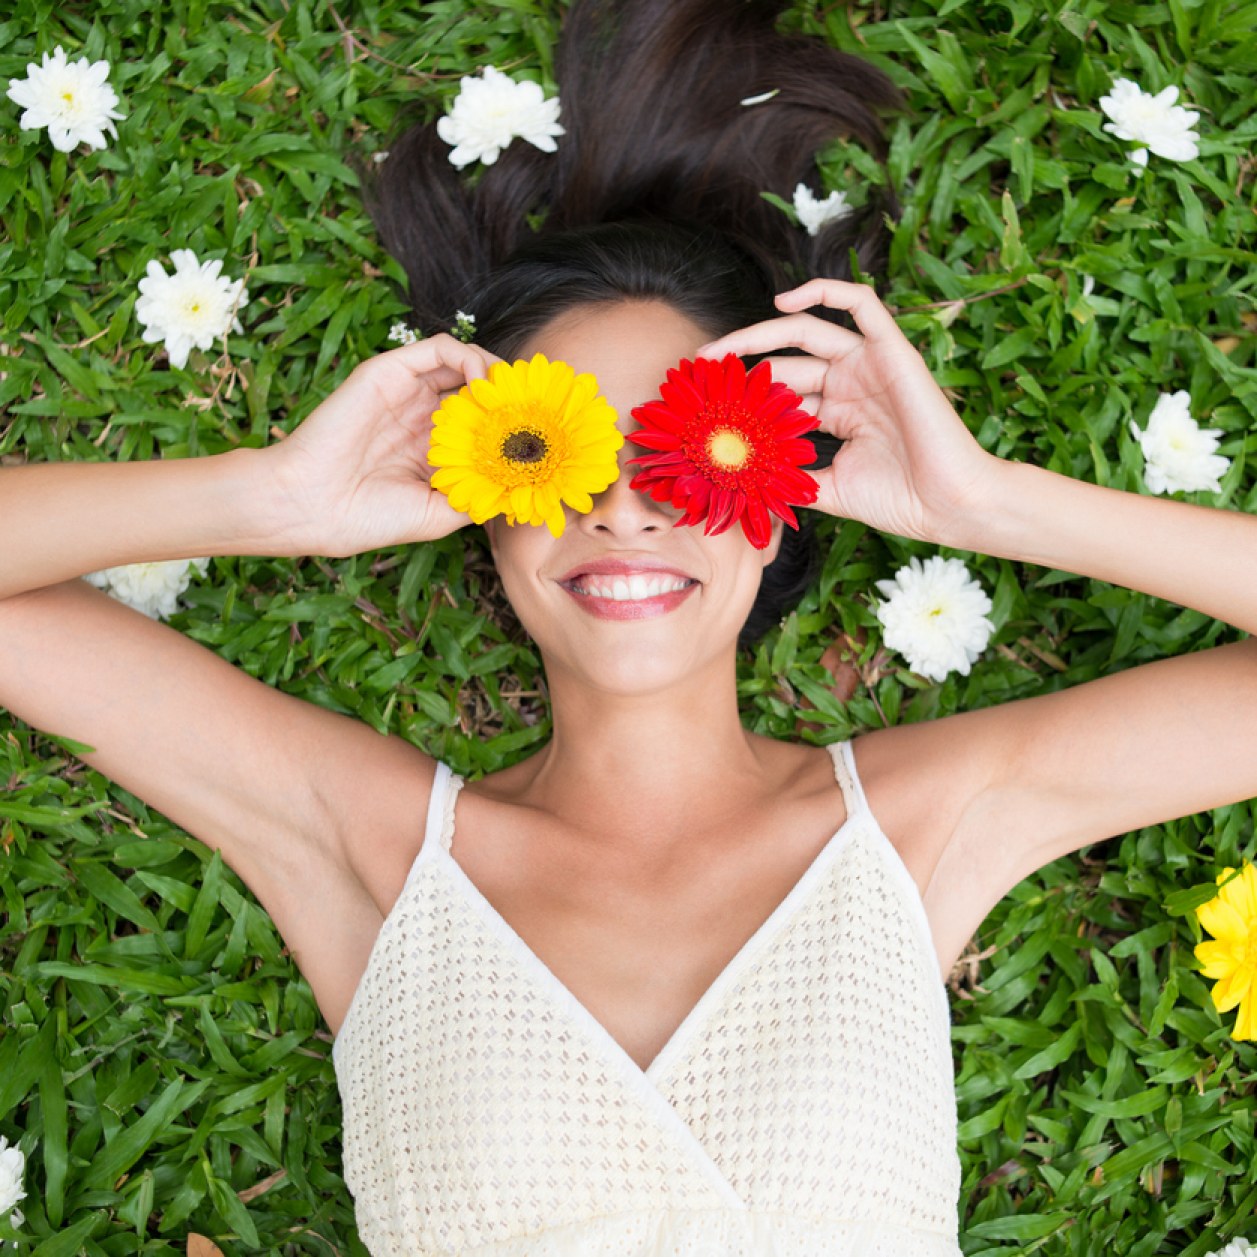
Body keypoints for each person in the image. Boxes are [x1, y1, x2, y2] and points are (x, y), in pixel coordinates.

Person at [2, 1, 1254, 1254]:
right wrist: (268, 498)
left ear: (778, 501)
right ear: (479, 506)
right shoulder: (371, 849)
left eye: (689, 450)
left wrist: (989, 503)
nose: (627, 513)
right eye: (558, 453)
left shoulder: (920, 831)